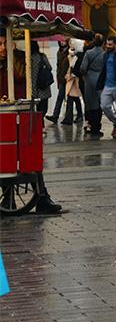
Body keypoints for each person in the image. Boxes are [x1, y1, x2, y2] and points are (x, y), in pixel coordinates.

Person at [0, 37, 63, 214]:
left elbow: (21, 76)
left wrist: (10, 58)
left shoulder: (20, 57)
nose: (3, 47)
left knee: (29, 155)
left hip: (20, 113)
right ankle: (9, 197)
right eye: (0, 44)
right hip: (3, 114)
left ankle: (42, 195)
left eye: (5, 43)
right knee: (5, 158)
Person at [80, 34, 106, 137]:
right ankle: (97, 127)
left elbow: (83, 67)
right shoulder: (105, 54)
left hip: (89, 79)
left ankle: (90, 124)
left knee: (90, 102)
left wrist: (85, 74)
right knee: (99, 103)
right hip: (100, 79)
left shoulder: (88, 53)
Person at [45, 40, 71, 124]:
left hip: (68, 78)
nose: (62, 42)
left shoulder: (70, 51)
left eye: (64, 40)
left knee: (70, 98)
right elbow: (58, 66)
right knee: (61, 97)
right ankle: (56, 116)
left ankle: (67, 118)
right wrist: (58, 79)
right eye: (61, 41)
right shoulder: (59, 52)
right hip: (61, 78)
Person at [29, 42, 53, 115]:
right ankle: (41, 120)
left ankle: (38, 121)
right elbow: (49, 67)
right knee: (43, 107)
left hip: (33, 86)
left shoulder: (28, 58)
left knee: (34, 108)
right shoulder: (42, 56)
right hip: (43, 85)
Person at [62, 46, 84, 125]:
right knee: (73, 97)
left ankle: (70, 118)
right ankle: (76, 116)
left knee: (72, 97)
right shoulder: (69, 56)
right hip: (71, 78)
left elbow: (74, 67)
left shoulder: (77, 56)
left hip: (74, 79)